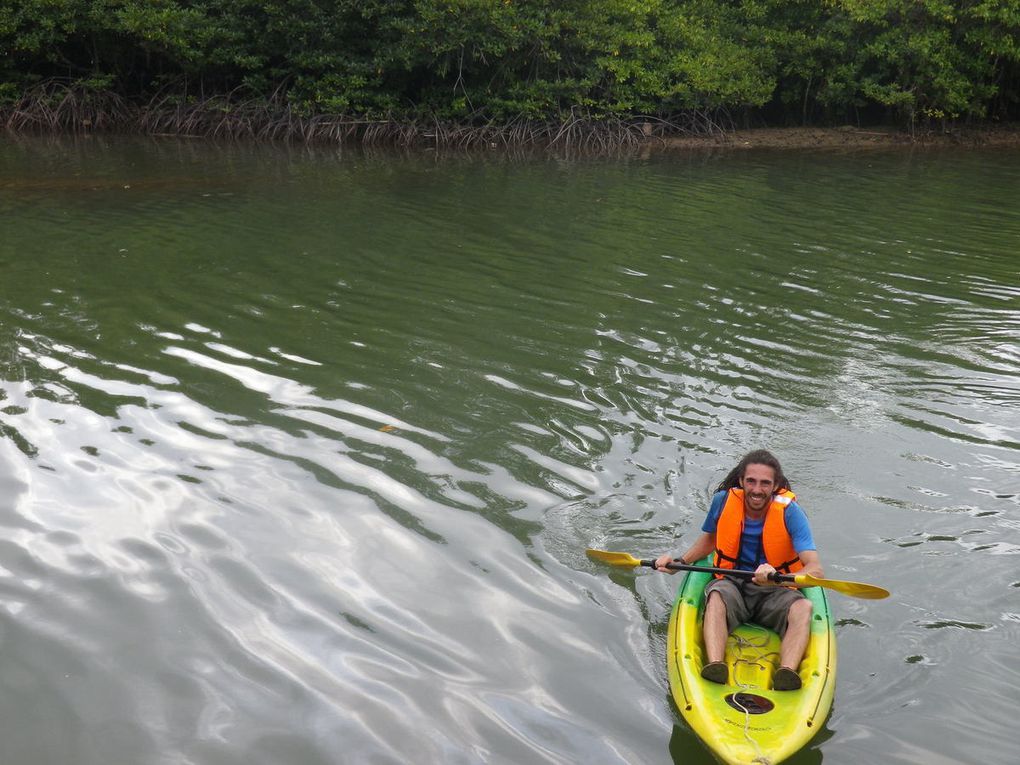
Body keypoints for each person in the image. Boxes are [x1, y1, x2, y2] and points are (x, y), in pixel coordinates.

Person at [654, 449, 823, 691]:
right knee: (715, 597)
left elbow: (815, 569)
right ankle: (715, 665)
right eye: (751, 481)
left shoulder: (791, 512)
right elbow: (709, 541)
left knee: (803, 607)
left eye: (765, 483)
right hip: (731, 583)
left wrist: (775, 578)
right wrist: (678, 562)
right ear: (742, 481)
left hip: (775, 590)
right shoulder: (723, 501)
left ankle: (786, 672)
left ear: (775, 486)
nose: (757, 489)